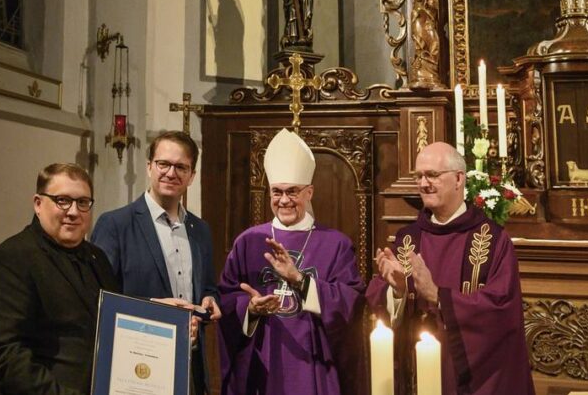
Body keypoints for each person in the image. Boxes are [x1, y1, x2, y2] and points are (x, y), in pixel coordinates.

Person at [366, 142, 535, 395]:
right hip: (417, 376)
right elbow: (376, 301)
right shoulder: (407, 239)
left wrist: (438, 295)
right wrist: (398, 291)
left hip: (475, 380)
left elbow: (501, 309)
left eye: (432, 175)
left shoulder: (492, 240)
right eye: (419, 176)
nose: (423, 184)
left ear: (458, 179)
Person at [218, 128, 366, 395]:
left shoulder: (336, 244)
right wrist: (250, 309)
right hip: (262, 362)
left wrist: (300, 281)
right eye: (277, 192)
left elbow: (351, 301)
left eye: (292, 192)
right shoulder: (248, 241)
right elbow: (227, 298)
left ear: (309, 193)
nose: (284, 200)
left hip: (313, 365)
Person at [0, 163, 120, 394]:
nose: (73, 211)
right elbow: (2, 357)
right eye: (62, 200)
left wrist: (160, 316)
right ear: (38, 204)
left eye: (82, 202)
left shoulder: (96, 258)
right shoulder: (9, 260)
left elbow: (115, 321)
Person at [91, 131, 220, 395]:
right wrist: (156, 309)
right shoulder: (116, 224)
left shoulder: (200, 230)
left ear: (192, 176)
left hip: (189, 364)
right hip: (136, 365)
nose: (171, 173)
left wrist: (209, 300)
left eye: (181, 167)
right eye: (164, 164)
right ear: (149, 166)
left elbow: (208, 287)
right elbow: (98, 298)